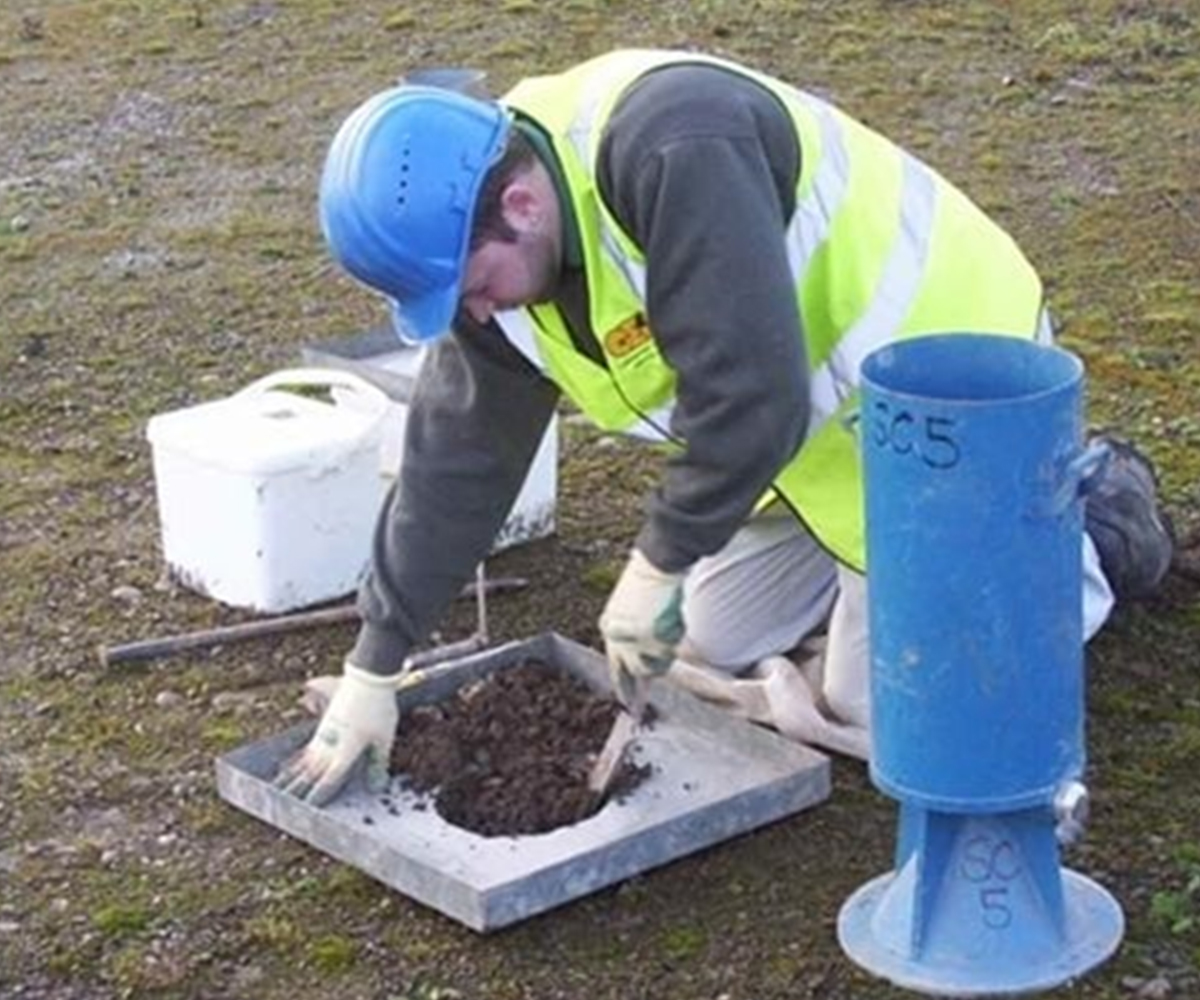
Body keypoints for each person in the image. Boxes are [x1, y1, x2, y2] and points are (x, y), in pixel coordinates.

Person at [276, 49, 1174, 806]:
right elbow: (457, 460)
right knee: (707, 638)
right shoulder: (489, 240)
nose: (472, 314)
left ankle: (1090, 519)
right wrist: (376, 662)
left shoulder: (675, 143)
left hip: (946, 398)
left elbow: (751, 396)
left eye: (470, 286)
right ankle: (876, 582)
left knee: (887, 713)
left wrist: (658, 559)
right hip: (808, 444)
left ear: (518, 204)